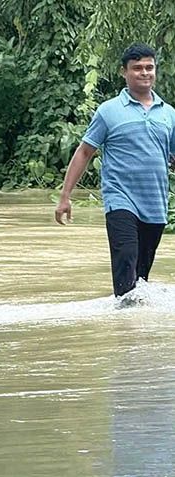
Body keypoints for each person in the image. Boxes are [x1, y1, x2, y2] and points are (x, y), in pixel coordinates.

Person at [56, 43, 175, 298]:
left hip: (155, 204)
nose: (144, 73)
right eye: (137, 68)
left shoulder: (169, 114)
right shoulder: (108, 111)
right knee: (126, 260)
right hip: (120, 200)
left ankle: (132, 321)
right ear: (124, 72)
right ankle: (122, 316)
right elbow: (84, 152)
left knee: (141, 278)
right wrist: (65, 196)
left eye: (149, 67)